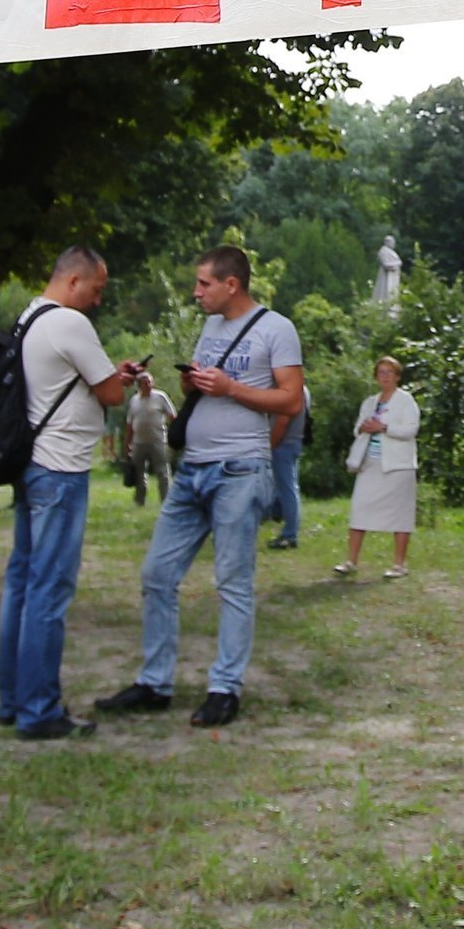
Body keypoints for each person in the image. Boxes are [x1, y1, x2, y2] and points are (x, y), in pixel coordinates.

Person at [95, 246, 305, 728]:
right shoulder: (211, 327)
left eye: (204, 284)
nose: (196, 292)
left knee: (232, 582)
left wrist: (231, 388)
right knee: (156, 574)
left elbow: (291, 401)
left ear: (232, 284)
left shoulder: (278, 329)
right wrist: (194, 384)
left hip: (239, 471)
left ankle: (224, 689)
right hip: (192, 470)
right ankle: (155, 683)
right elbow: (207, 384)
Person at [0, 247, 141, 742]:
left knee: (21, 583)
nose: (98, 301)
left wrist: (103, 378)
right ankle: (40, 710)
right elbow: (111, 395)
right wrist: (117, 380)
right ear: (74, 281)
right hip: (60, 470)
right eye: (97, 289)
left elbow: (70, 382)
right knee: (48, 591)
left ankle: (12, 699)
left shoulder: (28, 319)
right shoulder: (71, 324)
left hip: (31, 464)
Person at [336, 357, 419, 576]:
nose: (385, 376)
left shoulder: (406, 400)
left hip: (397, 465)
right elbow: (358, 429)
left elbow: (411, 430)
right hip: (370, 463)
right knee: (359, 508)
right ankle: (351, 561)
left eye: (390, 373)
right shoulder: (370, 402)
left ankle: (399, 564)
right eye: (381, 372)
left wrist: (384, 427)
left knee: (400, 514)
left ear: (397, 377)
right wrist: (364, 427)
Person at [264, 381, 311, 551]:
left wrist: (270, 445)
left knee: (288, 489)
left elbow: (282, 421)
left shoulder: (293, 391)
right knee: (285, 486)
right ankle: (276, 514)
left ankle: (290, 534)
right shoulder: (303, 389)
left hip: (284, 444)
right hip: (292, 442)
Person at [121, 370, 173, 507]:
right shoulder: (134, 400)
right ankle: (139, 501)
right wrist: (127, 444)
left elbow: (172, 417)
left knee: (162, 472)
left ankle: (166, 501)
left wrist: (174, 437)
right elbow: (130, 425)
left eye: (150, 382)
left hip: (158, 440)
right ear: (139, 385)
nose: (149, 385)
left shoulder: (160, 397)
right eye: (145, 383)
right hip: (139, 442)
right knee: (138, 473)